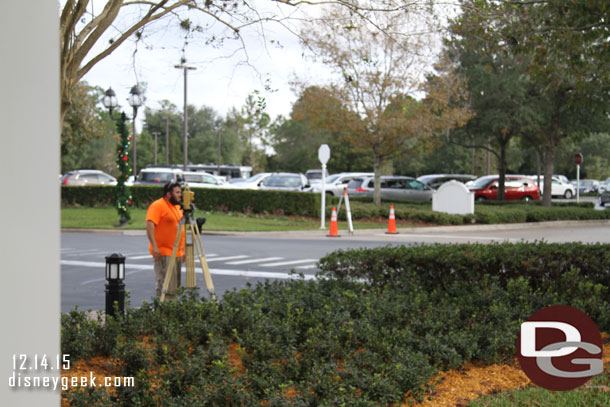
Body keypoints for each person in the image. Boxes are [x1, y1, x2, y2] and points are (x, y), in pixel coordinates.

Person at [145, 181, 185, 297]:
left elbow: (181, 228)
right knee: (165, 287)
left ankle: (171, 311)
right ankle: (162, 311)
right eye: (177, 192)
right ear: (168, 194)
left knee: (175, 288)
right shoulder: (158, 205)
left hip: (177, 253)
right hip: (164, 253)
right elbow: (150, 224)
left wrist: (183, 250)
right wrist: (154, 246)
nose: (180, 195)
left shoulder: (177, 207)